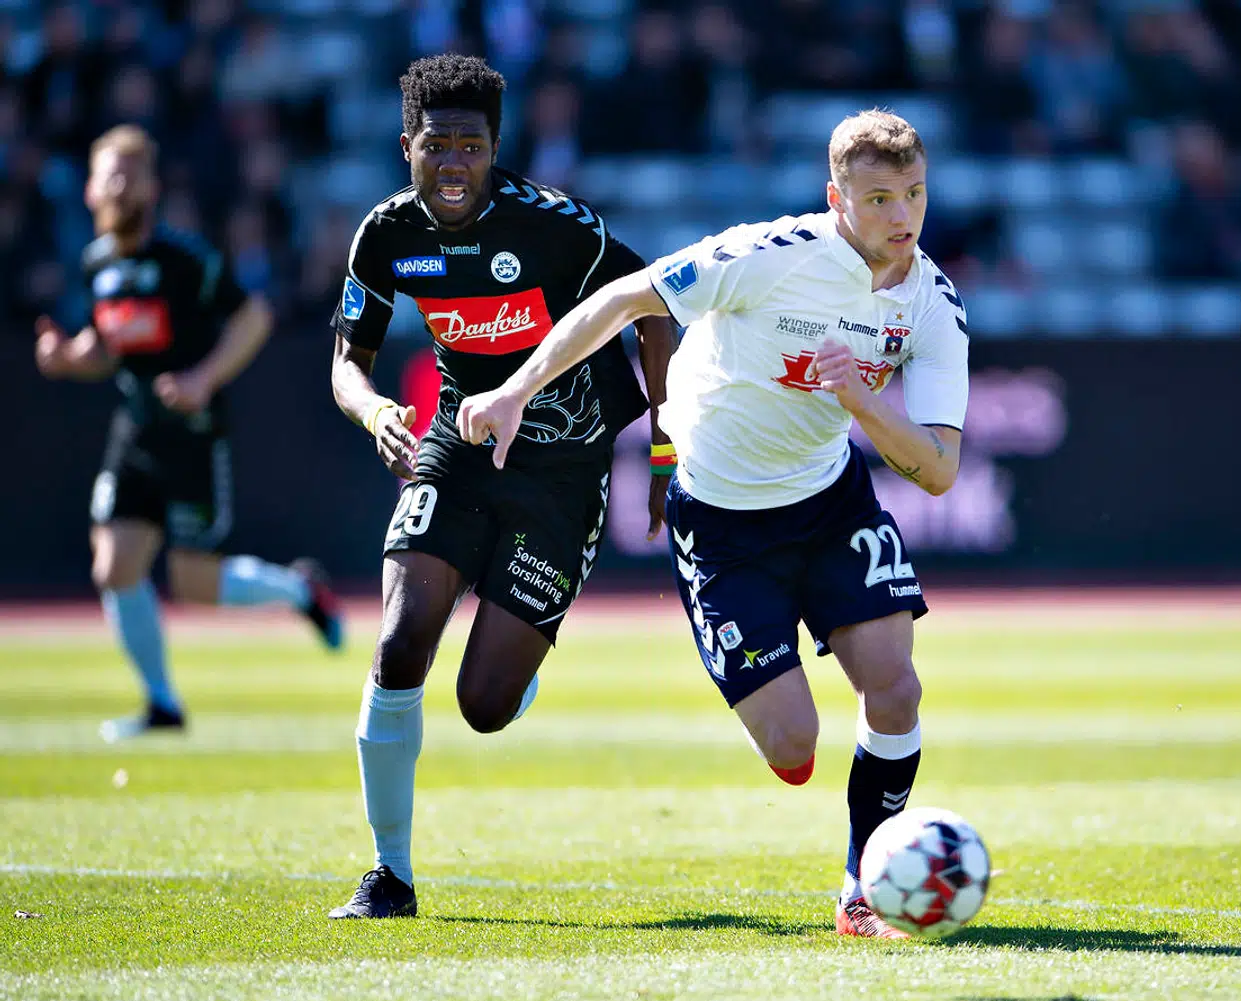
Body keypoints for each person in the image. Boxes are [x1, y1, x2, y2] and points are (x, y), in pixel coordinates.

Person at [458, 109, 970, 938]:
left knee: (897, 684)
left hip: (829, 500)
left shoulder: (932, 301)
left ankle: (863, 885)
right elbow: (627, 298)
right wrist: (515, 389)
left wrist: (862, 399)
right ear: (834, 198)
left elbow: (940, 470)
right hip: (720, 519)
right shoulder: (767, 257)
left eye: (913, 194)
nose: (902, 217)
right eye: (878, 198)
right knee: (793, 751)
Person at [326, 54, 677, 919]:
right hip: (458, 441)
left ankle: (520, 644)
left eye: (471, 147)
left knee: (482, 706)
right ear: (406, 145)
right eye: (436, 144)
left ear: (495, 150)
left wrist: (665, 446)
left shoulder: (555, 228)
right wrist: (373, 412)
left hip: (564, 468)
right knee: (402, 640)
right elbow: (347, 362)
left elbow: (659, 307)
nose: (453, 164)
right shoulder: (386, 235)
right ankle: (389, 874)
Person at [33, 124, 346, 743]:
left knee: (191, 583)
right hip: (136, 429)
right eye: (109, 172)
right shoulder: (98, 264)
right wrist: (71, 357)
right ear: (91, 189)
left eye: (131, 172)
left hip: (193, 435)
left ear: (150, 187)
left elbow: (253, 317)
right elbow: (110, 343)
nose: (119, 184)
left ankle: (299, 589)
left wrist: (204, 378)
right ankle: (162, 704)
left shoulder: (185, 259)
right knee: (114, 567)